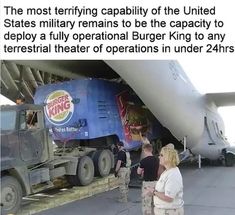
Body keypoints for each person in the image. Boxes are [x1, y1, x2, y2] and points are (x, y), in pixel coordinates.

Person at [150, 146, 184, 215]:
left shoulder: (173, 175)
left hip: (169, 211)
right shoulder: (167, 171)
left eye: (161, 155)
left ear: (168, 157)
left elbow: (169, 198)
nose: (159, 157)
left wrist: (154, 192)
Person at [137, 143, 159, 215]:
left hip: (147, 184)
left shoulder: (143, 161)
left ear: (144, 150)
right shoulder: (157, 159)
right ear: (151, 150)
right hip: (156, 183)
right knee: (155, 203)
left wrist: (142, 170)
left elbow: (138, 172)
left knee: (146, 204)